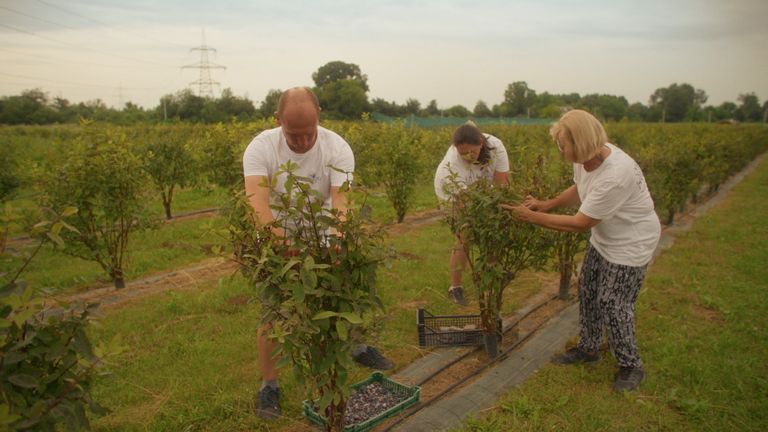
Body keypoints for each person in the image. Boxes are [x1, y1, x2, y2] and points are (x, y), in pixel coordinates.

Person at [242, 87, 393, 420]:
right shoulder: (261, 148)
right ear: (277, 121)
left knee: (341, 297)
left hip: (324, 234)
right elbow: (257, 203)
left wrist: (337, 238)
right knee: (274, 313)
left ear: (319, 117)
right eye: (293, 135)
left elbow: (341, 200)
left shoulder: (336, 147)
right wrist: (281, 244)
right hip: (275, 240)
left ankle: (355, 346)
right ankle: (270, 386)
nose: (301, 142)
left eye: (308, 133)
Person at [501, 109, 661, 392]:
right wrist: (547, 204)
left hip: (631, 243)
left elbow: (580, 223)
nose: (560, 149)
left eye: (564, 144)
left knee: (613, 302)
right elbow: (578, 188)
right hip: (606, 238)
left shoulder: (616, 174)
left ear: (583, 141)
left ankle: (630, 364)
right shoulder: (585, 159)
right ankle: (589, 349)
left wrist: (531, 217)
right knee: (587, 289)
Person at [434, 122, 510, 306]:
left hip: (482, 189)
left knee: (495, 229)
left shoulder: (496, 147)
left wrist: (500, 210)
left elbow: (502, 185)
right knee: (465, 236)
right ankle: (456, 287)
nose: (467, 157)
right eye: (463, 154)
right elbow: (465, 204)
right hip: (452, 195)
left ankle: (493, 274)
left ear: (481, 144)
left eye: (471, 153)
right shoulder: (450, 169)